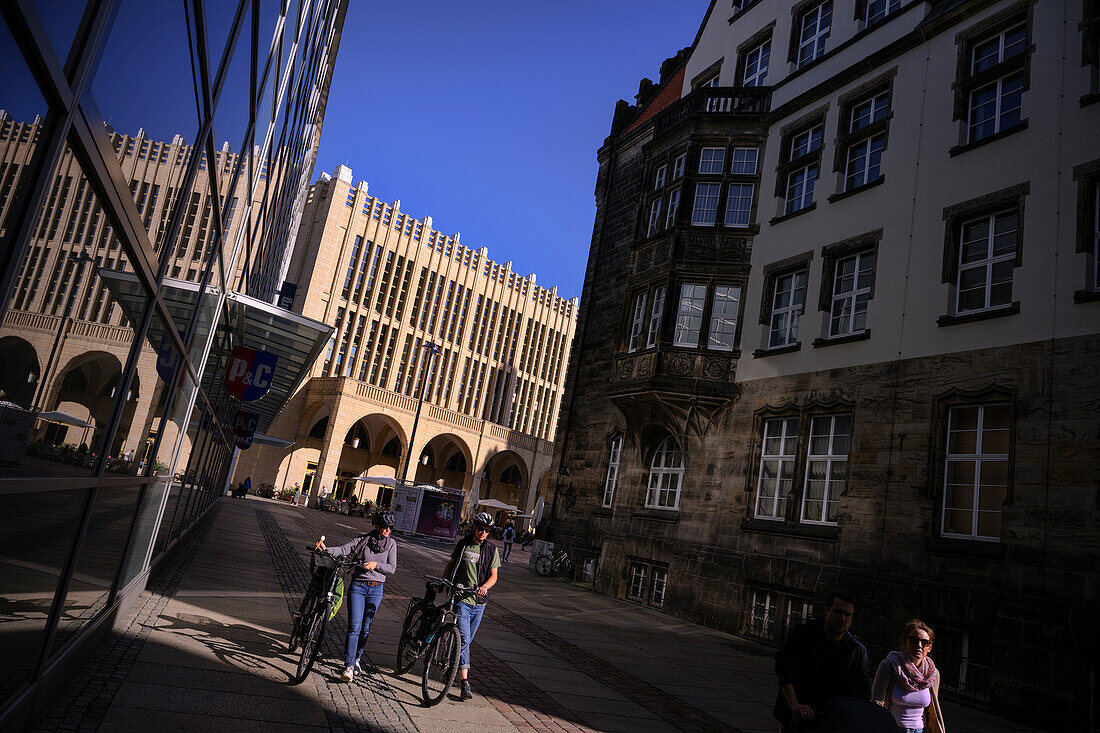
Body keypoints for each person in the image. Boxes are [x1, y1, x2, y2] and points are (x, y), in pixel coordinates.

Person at [315, 510, 398, 682]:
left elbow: (392, 568)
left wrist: (376, 565)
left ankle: (357, 658)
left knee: (366, 628)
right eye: (385, 526)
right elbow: (345, 549)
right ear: (376, 526)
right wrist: (327, 548)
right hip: (358, 587)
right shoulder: (363, 540)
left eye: (390, 527)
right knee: (354, 627)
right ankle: (349, 666)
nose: (388, 529)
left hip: (376, 589)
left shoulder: (392, 544)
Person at [773, 593, 871, 732]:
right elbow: (785, 670)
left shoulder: (856, 651)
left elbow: (862, 692)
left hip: (833, 722)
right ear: (827, 610)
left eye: (848, 615)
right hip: (798, 719)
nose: (842, 619)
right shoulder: (803, 634)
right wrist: (794, 704)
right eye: (838, 612)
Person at [441, 511, 499, 701]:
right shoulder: (464, 544)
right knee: (464, 638)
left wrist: (484, 587)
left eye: (487, 530)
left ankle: (452, 666)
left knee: (465, 641)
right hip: (461, 599)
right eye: (481, 528)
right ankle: (464, 683)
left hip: (479, 602)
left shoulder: (492, 549)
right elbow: (451, 564)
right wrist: (444, 582)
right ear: (474, 527)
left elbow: (494, 576)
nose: (483, 532)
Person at [872, 620, 945, 733]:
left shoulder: (933, 674)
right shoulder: (890, 666)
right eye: (914, 641)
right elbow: (877, 702)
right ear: (905, 642)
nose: (919, 646)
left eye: (925, 642)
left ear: (929, 647)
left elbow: (932, 709)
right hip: (893, 728)